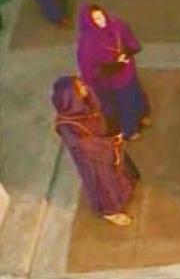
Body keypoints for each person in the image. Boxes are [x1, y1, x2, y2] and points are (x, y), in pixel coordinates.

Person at [52, 76, 140, 226]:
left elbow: (97, 109)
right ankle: (111, 211)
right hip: (95, 160)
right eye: (80, 88)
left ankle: (122, 194)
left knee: (117, 175)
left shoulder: (84, 106)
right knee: (104, 185)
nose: (85, 88)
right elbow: (85, 146)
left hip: (106, 148)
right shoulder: (68, 126)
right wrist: (111, 142)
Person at [77, 4, 151, 141]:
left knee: (135, 94)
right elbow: (90, 71)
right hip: (112, 82)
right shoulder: (87, 45)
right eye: (96, 20)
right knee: (123, 105)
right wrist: (115, 66)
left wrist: (127, 53)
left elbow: (131, 42)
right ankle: (129, 130)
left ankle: (142, 114)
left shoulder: (117, 26)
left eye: (102, 16)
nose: (102, 21)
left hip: (128, 72)